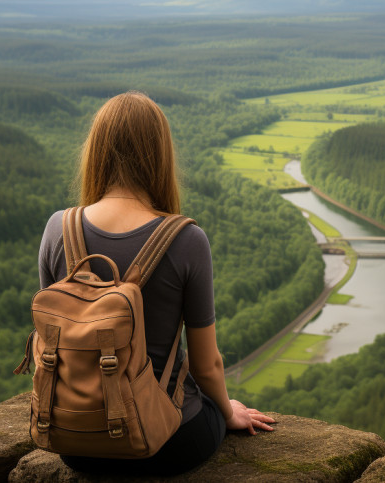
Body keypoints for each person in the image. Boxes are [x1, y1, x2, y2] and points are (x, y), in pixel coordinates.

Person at [37, 91, 275, 475]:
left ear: (96, 152)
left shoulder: (57, 228)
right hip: (169, 442)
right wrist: (227, 411)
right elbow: (206, 364)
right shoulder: (186, 240)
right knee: (212, 407)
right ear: (160, 155)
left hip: (74, 438)